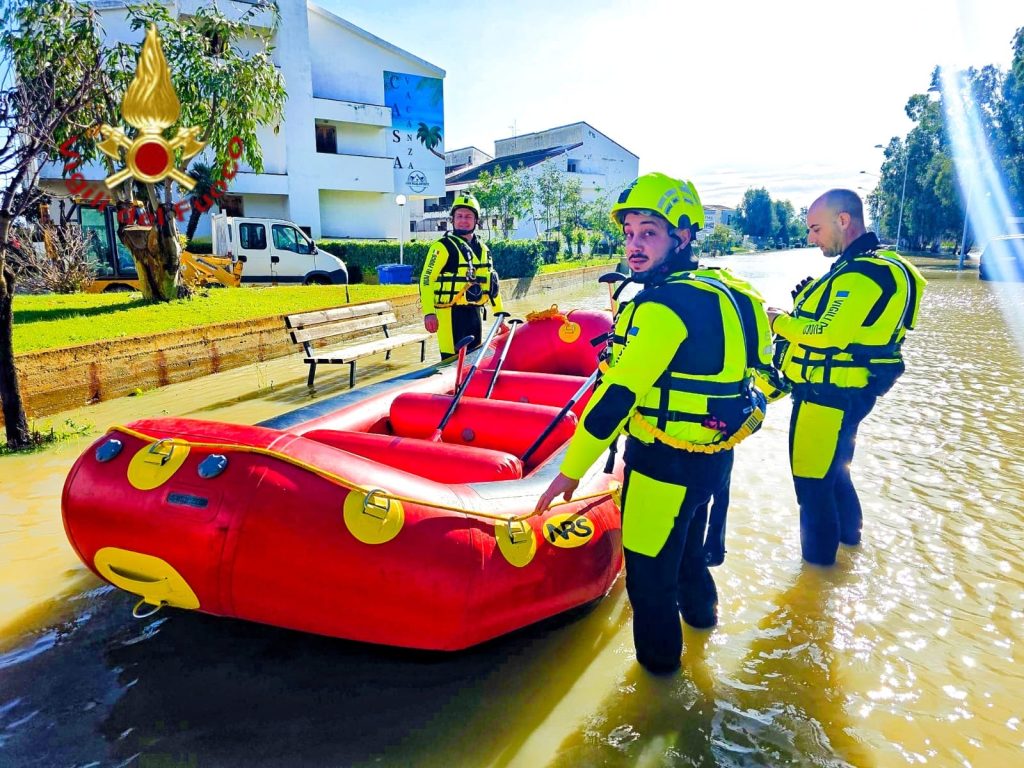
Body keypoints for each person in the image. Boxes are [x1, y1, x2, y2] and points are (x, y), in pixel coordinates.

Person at [535, 173, 767, 675]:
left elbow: (616, 397)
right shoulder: (733, 292)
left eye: (649, 233)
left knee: (649, 581)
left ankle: (660, 689)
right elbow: (768, 374)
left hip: (664, 466)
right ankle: (705, 628)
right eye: (630, 234)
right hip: (714, 457)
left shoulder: (660, 308)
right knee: (686, 556)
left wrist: (571, 471)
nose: (634, 246)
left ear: (682, 237)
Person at [767, 189, 925, 566]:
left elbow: (827, 336)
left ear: (843, 221)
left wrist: (778, 320)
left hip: (826, 396)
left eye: (816, 228)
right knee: (836, 476)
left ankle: (815, 587)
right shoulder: (882, 264)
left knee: (812, 489)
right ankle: (850, 550)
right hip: (851, 393)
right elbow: (848, 329)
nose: (811, 238)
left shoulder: (862, 273)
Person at [419, 194, 503, 360]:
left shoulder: (484, 249)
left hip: (474, 312)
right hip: (449, 313)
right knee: (451, 359)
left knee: (474, 357)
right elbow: (426, 280)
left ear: (476, 220)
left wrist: (500, 314)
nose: (463, 220)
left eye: (468, 216)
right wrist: (429, 312)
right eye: (459, 216)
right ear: (452, 219)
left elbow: (491, 283)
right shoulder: (442, 247)